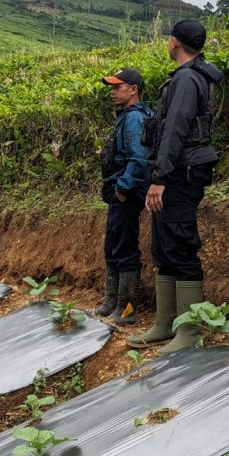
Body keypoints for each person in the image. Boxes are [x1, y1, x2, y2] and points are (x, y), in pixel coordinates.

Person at [127, 20, 223, 355]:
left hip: (180, 174)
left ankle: (188, 331)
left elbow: (175, 130)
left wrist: (160, 178)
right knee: (164, 247)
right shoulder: (191, 75)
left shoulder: (185, 79)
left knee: (180, 246)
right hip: (176, 171)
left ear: (175, 42)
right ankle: (165, 323)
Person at [96, 67, 154, 325]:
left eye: (118, 87)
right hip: (119, 191)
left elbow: (138, 160)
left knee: (124, 247)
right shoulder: (128, 116)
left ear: (134, 89)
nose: (113, 92)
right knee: (113, 245)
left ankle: (127, 309)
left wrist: (122, 189)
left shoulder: (133, 118)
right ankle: (111, 302)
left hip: (126, 193)